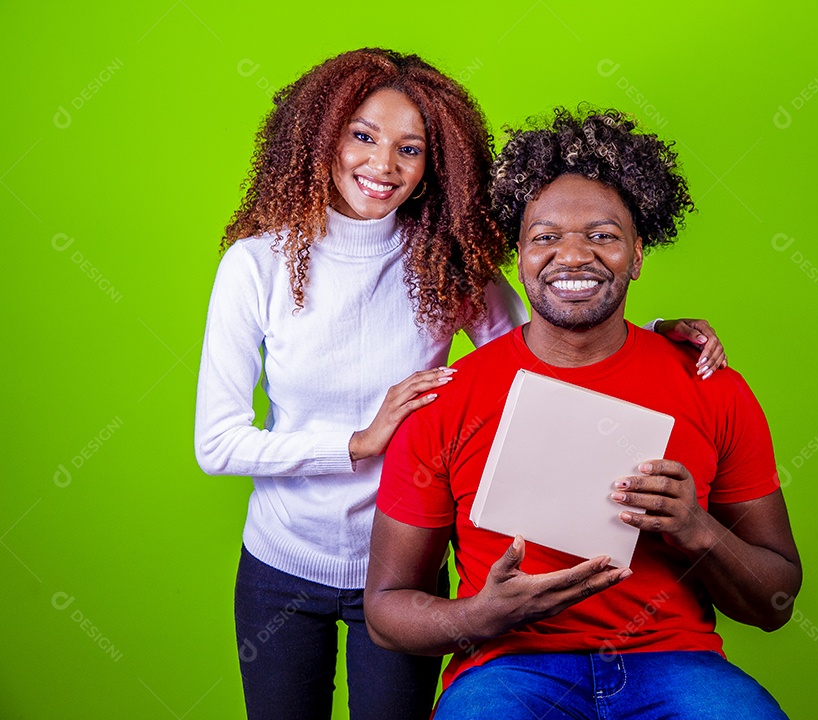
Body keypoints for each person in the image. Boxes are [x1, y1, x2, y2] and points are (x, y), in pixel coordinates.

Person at [194, 49, 728, 719]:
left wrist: (650, 332)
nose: (382, 165)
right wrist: (358, 442)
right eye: (362, 135)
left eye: (409, 149)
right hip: (279, 567)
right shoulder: (256, 267)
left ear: (435, 164)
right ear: (321, 135)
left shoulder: (443, 264)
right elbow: (216, 444)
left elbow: (543, 346)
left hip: (401, 575)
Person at [367, 107, 802, 719]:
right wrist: (482, 615)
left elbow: (776, 603)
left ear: (639, 253)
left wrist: (697, 530)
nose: (572, 256)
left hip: (674, 662)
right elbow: (386, 610)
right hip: (508, 667)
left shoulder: (712, 387)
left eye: (602, 235)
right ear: (517, 254)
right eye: (545, 237)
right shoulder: (448, 399)